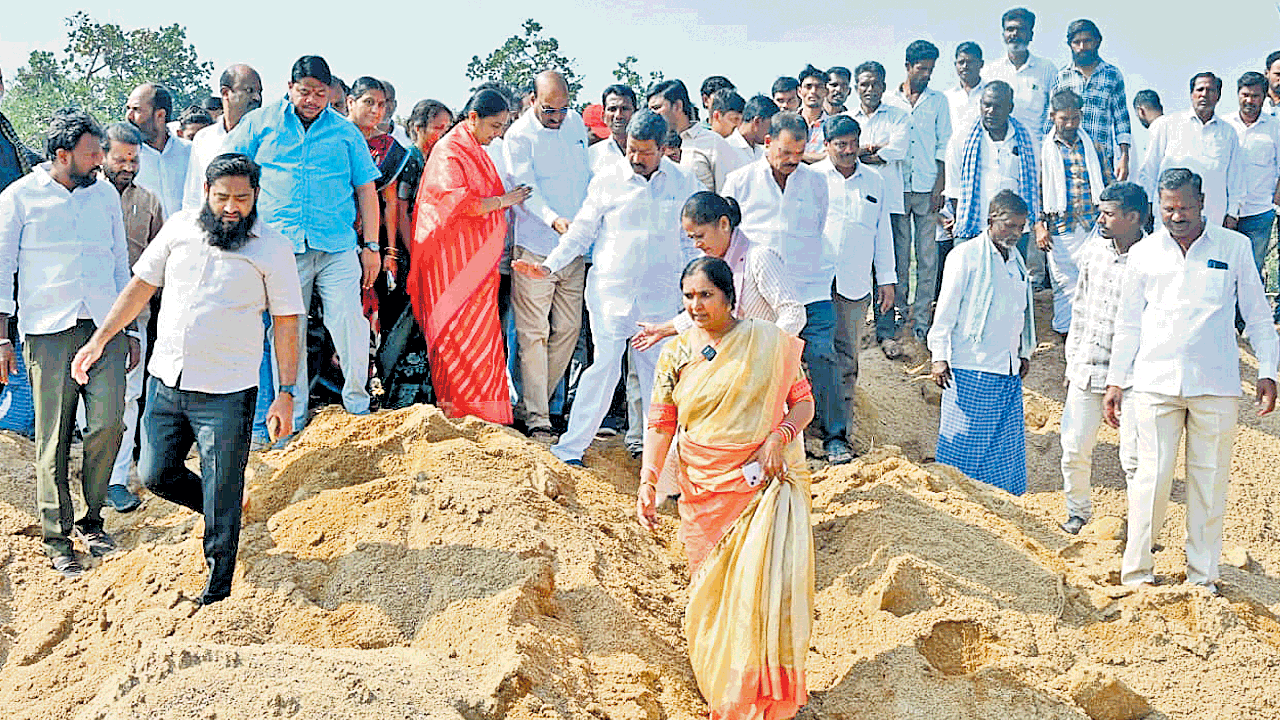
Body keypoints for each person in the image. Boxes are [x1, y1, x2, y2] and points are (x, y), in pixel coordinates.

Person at [71, 153, 304, 606]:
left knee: (223, 487)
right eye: (222, 198)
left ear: (256, 197)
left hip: (228, 391)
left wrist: (288, 392)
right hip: (167, 379)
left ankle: (218, 592)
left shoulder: (272, 248)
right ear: (206, 194)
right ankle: (226, 511)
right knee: (155, 473)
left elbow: (287, 321)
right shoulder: (178, 228)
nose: (231, 207)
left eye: (241, 198)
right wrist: (99, 341)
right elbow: (140, 287)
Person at [637, 257, 815, 720]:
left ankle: (751, 694)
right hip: (701, 488)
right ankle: (722, 691)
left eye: (705, 296)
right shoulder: (675, 353)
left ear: (729, 297)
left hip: (757, 488)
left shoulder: (768, 342)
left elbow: (803, 404)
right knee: (709, 593)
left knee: (756, 593)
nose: (695, 306)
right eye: (688, 297)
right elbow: (661, 423)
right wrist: (649, 480)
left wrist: (780, 438)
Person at [1103, 168, 1278, 592]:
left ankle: (1202, 577)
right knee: (1151, 481)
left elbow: (1256, 314)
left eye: (1184, 207)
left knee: (1208, 484)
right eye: (1168, 208)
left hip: (1215, 383)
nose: (1177, 216)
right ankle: (1138, 574)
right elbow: (1128, 323)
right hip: (1154, 382)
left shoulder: (1233, 247)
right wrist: (1115, 381)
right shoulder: (1143, 253)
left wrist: (1269, 371)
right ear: (1157, 209)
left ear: (1202, 204)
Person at [513, 110, 701, 466]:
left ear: (663, 149)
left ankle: (662, 462)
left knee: (659, 380)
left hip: (661, 299)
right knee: (604, 369)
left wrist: (691, 295)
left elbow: (692, 244)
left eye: (645, 151)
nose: (635, 158)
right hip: (610, 295)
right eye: (631, 148)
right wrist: (549, 265)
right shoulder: (607, 178)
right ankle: (570, 450)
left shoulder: (685, 183)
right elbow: (582, 231)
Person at [0, 109, 130, 578]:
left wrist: (128, 330)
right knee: (53, 437)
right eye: (92, 153)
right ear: (62, 154)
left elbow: (121, 264)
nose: (101, 161)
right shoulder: (20, 197)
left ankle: (94, 522)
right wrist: (2, 337)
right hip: (47, 331)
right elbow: (1, 268)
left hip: (104, 329)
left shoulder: (105, 198)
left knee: (108, 424)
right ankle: (57, 537)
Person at [225, 55, 381, 432]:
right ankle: (290, 422)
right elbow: (229, 168)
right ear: (290, 88)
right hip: (280, 248)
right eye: (306, 91)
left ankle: (358, 408)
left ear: (331, 94)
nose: (312, 100)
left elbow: (366, 190)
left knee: (349, 324)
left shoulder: (344, 132)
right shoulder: (260, 124)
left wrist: (372, 247)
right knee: (286, 329)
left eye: (321, 93)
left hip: (337, 246)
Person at [722, 113, 845, 462]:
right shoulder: (739, 181)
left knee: (821, 356)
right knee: (760, 363)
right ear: (767, 144)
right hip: (760, 293)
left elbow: (819, 227)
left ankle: (834, 436)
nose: (793, 160)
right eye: (786, 152)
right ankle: (758, 437)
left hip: (810, 287)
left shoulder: (816, 182)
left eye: (800, 152)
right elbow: (730, 238)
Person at [410, 89, 528, 423]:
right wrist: (506, 201)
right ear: (473, 118)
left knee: (482, 335)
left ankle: (486, 414)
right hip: (451, 265)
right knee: (457, 336)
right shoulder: (451, 151)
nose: (498, 133)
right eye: (494, 125)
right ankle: (459, 411)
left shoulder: (472, 148)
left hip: (475, 264)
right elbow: (458, 204)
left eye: (503, 126)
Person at [504, 70, 591, 441]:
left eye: (562, 108)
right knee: (532, 334)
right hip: (536, 246)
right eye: (548, 109)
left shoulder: (575, 124)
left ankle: (528, 404)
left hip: (575, 249)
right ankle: (539, 419)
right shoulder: (517, 136)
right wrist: (554, 221)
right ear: (531, 100)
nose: (557, 117)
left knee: (569, 331)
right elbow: (525, 189)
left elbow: (585, 179)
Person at [929, 190, 1035, 495]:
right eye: (1009, 226)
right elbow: (946, 309)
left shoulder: (1015, 260)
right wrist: (939, 356)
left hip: (1007, 368)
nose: (1015, 233)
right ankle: (953, 507)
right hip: (970, 366)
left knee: (1003, 450)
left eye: (1020, 227)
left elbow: (1019, 312)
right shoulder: (965, 256)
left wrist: (1022, 353)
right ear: (991, 220)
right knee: (962, 445)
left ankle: (998, 507)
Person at [1058, 181, 1146, 535]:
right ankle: (1077, 514)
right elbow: (1080, 308)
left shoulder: (1155, 256)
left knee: (1135, 460)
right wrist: (1072, 361)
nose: (1100, 219)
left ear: (1133, 217)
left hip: (1133, 377)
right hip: (1087, 367)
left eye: (1108, 214)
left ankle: (1142, 529)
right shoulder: (1094, 251)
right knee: (1074, 449)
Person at [813, 115, 897, 447]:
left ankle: (840, 432)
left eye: (853, 143)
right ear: (826, 145)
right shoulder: (811, 178)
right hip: (815, 282)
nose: (849, 151)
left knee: (847, 357)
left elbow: (883, 233)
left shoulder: (875, 181)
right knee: (815, 354)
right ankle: (813, 428)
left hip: (855, 282)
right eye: (841, 145)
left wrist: (887, 280)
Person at [631, 191, 806, 346]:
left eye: (700, 236)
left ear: (724, 224)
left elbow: (793, 312)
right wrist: (662, 330)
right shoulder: (705, 263)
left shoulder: (759, 257)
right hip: (730, 360)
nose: (696, 244)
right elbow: (705, 310)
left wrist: (764, 349)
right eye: (691, 238)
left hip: (765, 360)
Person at [98, 123, 165, 513]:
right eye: (120, 158)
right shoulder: (86, 196)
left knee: (127, 398)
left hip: (134, 316)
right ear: (102, 155)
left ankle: (117, 480)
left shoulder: (151, 202)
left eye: (134, 159)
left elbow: (163, 262)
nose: (127, 166)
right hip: (86, 311)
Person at [378, 99, 451, 410]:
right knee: (404, 322)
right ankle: (394, 391)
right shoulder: (410, 159)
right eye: (438, 128)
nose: (443, 134)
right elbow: (404, 211)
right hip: (409, 254)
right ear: (417, 128)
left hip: (425, 251)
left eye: (447, 128)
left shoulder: (432, 159)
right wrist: (415, 251)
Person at [885, 40, 951, 343]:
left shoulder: (938, 101)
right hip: (897, 188)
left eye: (930, 70)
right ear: (908, 66)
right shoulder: (889, 101)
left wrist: (941, 184)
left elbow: (943, 146)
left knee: (927, 258)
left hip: (927, 187)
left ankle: (923, 320)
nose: (926, 75)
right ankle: (899, 312)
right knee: (899, 256)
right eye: (921, 69)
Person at [847, 61, 911, 358]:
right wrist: (874, 149)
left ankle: (886, 331)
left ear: (884, 86)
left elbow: (898, 149)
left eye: (875, 84)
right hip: (856, 203)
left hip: (891, 202)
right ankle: (859, 331)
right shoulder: (847, 119)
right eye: (864, 84)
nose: (869, 89)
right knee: (856, 265)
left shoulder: (899, 116)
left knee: (889, 269)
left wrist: (863, 151)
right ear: (856, 87)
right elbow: (842, 154)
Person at [943, 82, 1043, 262]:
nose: (990, 111)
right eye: (986, 105)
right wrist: (963, 220)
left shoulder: (1026, 137)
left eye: (997, 106)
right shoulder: (962, 137)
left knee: (1011, 281)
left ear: (1010, 108)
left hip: (1013, 231)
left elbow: (1033, 184)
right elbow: (954, 189)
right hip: (973, 227)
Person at [1039, 88, 1113, 334]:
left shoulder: (1094, 146)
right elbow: (1035, 190)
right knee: (1064, 285)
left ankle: (1093, 333)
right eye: (1064, 119)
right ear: (1052, 116)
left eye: (1075, 118)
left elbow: (1109, 183)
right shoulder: (1044, 150)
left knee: (1097, 280)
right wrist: (1039, 225)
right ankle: (1066, 335)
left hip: (1093, 224)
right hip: (1061, 227)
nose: (1070, 124)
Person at [1137, 72, 1243, 230]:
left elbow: (1236, 176)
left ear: (1218, 96)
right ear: (1191, 94)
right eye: (1200, 89)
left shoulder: (1228, 132)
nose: (1204, 95)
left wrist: (1232, 213)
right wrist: (1146, 209)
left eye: (1210, 90)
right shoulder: (1166, 125)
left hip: (1213, 217)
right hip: (1170, 217)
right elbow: (1149, 171)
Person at [348, 77, 409, 352]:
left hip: (367, 242)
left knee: (365, 306)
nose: (376, 110)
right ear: (351, 102)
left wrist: (390, 252)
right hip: (329, 234)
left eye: (382, 104)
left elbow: (391, 204)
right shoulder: (333, 137)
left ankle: (361, 376)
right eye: (369, 102)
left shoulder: (389, 150)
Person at [1047, 19, 1132, 181]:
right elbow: (1050, 119)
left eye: (1087, 41)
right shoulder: (1062, 76)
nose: (1082, 47)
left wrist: (1124, 157)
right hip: (1067, 157)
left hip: (1102, 157)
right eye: (1076, 42)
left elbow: (1121, 119)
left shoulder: (1112, 74)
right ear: (1070, 45)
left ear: (1097, 42)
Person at [182, 64, 263, 211]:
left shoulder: (267, 137)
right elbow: (193, 195)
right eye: (249, 91)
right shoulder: (204, 138)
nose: (257, 97)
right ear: (225, 93)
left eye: (259, 92)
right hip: (212, 228)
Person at [1225, 72, 1280, 284]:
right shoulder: (1224, 125)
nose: (1249, 101)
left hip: (1259, 212)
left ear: (1264, 96)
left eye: (1255, 96)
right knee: (1223, 269)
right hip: (1227, 212)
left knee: (1251, 271)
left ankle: (1247, 318)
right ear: (1238, 94)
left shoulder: (1275, 128)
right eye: (1245, 94)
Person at [985, 7, 1056, 146]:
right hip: (997, 148)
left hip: (1034, 149)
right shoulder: (990, 72)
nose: (1015, 34)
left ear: (1031, 35)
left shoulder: (1047, 69)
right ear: (1003, 34)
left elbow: (1053, 113)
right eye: (1010, 29)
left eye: (1021, 29)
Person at [649, 79, 735, 192]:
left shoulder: (712, 142)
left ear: (678, 106)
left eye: (657, 108)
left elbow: (727, 193)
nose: (651, 115)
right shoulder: (653, 146)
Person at [127, 83, 192, 216]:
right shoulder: (126, 158)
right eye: (128, 109)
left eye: (136, 110)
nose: (129, 116)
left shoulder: (190, 153)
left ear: (160, 115)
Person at [591, 84, 636, 173]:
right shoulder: (592, 155)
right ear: (603, 116)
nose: (619, 115)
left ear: (636, 113)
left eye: (625, 108)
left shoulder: (651, 153)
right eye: (612, 109)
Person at [726, 95, 777, 168]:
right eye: (770, 127)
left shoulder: (762, 152)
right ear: (757, 121)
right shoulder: (727, 149)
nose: (772, 133)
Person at [945, 42, 987, 133]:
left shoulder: (989, 94)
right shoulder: (947, 97)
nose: (965, 66)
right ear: (955, 64)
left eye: (970, 62)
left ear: (981, 64)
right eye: (961, 62)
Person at [797, 64, 829, 161]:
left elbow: (833, 157)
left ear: (826, 92)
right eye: (808, 86)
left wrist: (797, 154)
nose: (813, 91)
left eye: (818, 87)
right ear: (799, 91)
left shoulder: (832, 125)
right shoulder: (787, 122)